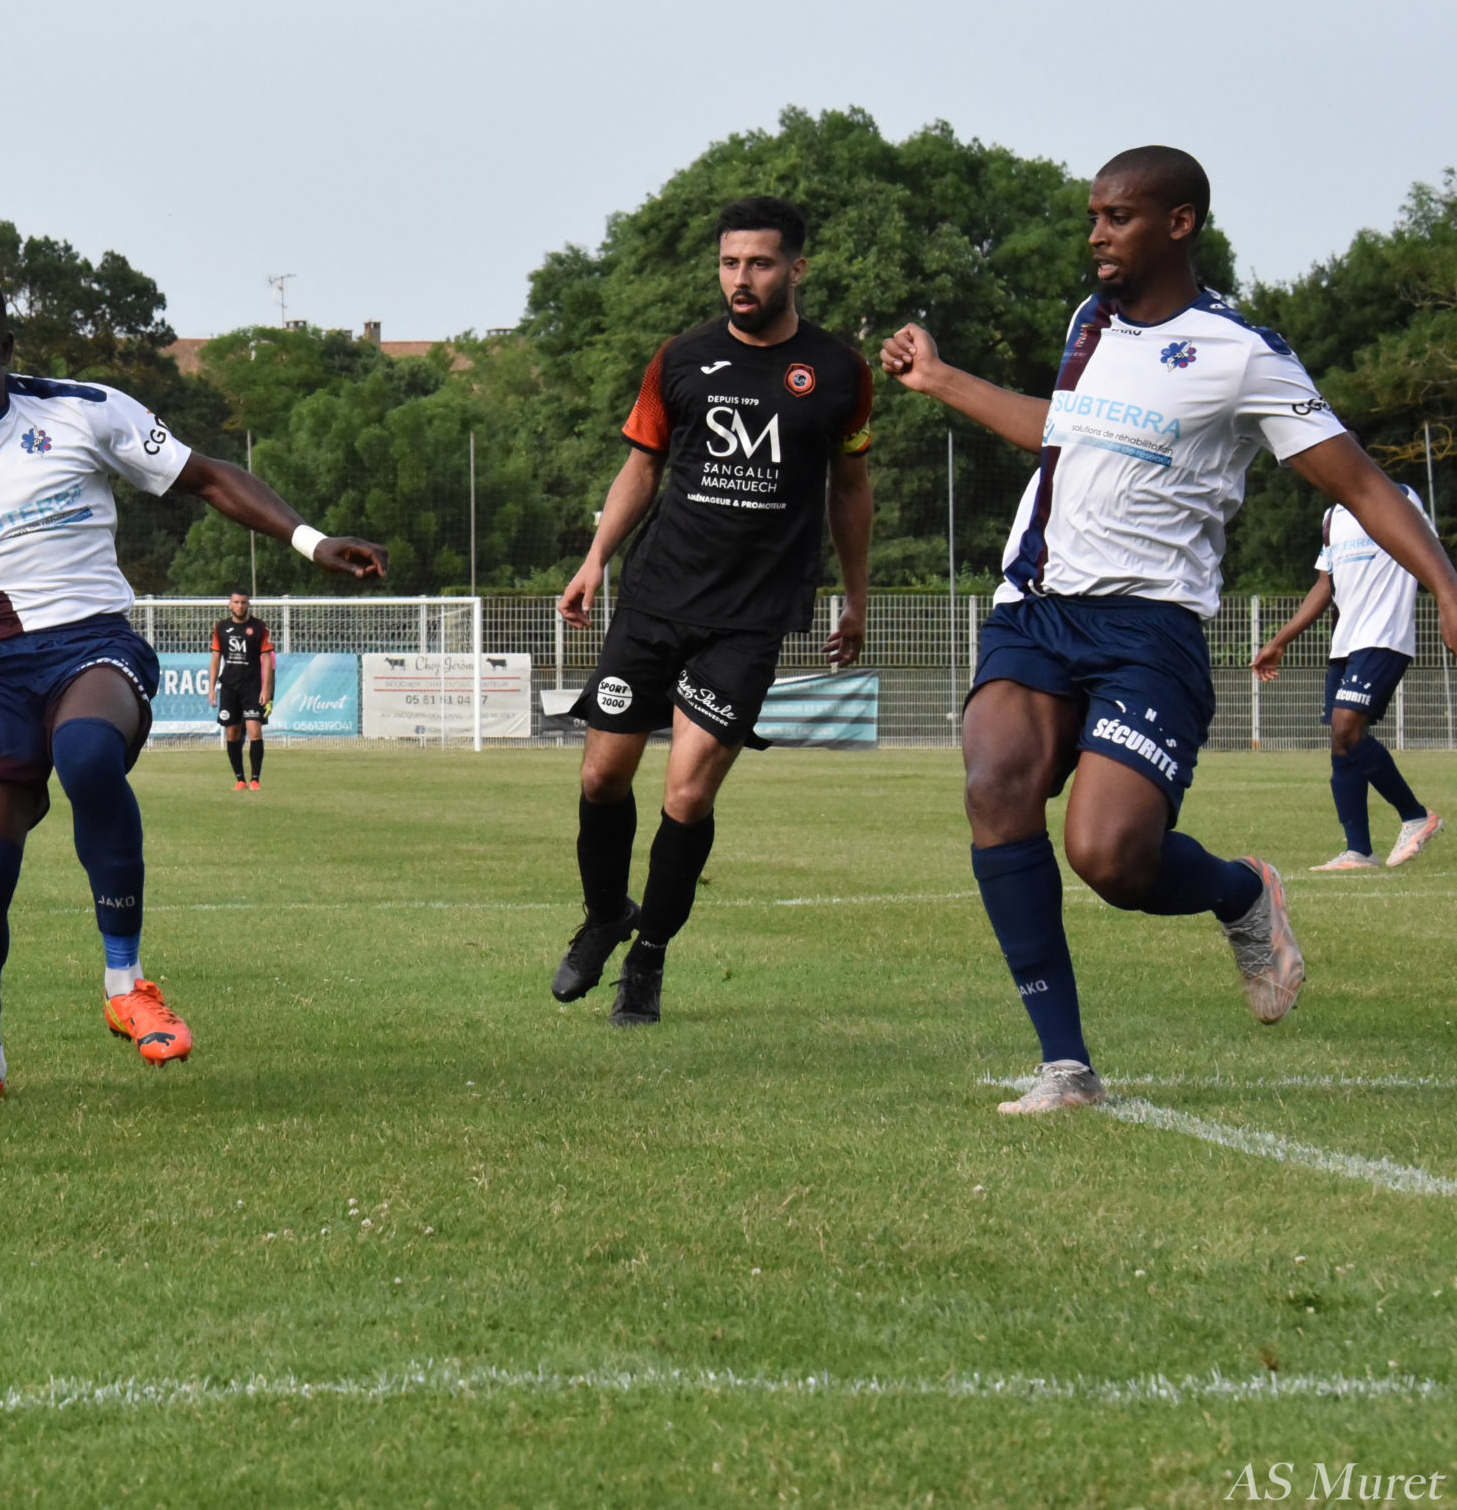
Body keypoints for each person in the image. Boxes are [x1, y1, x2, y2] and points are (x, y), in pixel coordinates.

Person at [881, 145, 1457, 1115]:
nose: (1096, 234)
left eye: (1118, 216)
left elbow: (1360, 480)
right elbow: (1062, 431)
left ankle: (1241, 892)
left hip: (1150, 629)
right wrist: (941, 379)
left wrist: (1443, 580)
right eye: (1093, 216)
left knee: (1109, 857)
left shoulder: (1241, 352)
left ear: (1179, 223)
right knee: (994, 781)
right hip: (1035, 608)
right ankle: (1065, 1065)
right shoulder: (1090, 320)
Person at [0, 269, 387, 1107]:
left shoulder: (82, 411)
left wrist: (310, 541)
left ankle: (126, 982)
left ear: (3, 347)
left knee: (88, 752)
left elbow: (206, 476)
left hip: (91, 643)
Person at [552, 197, 873, 1025]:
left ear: (796, 268)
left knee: (688, 794)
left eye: (759, 263)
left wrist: (856, 594)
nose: (742, 278)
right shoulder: (681, 358)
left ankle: (648, 956)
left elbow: (851, 488)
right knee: (601, 775)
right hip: (656, 596)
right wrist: (595, 558)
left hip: (751, 616)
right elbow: (641, 466)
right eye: (730, 263)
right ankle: (605, 914)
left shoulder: (839, 370)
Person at [1252, 486, 1445, 869]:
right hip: (1345, 643)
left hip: (1385, 636)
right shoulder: (1332, 518)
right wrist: (1278, 641)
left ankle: (1415, 815)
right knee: (1341, 744)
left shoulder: (1398, 497)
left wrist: (1448, 605)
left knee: (1347, 728)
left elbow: (1433, 558)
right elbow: (1324, 586)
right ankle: (1359, 851)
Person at [213, 591, 275, 789]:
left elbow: (267, 659)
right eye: (236, 602)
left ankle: (255, 779)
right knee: (232, 733)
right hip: (229, 688)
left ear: (248, 604)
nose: (240, 606)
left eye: (243, 602)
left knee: (254, 731)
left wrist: (266, 689)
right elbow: (215, 658)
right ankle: (240, 779)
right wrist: (211, 688)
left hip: (252, 687)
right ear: (230, 604)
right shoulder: (221, 628)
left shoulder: (259, 627)